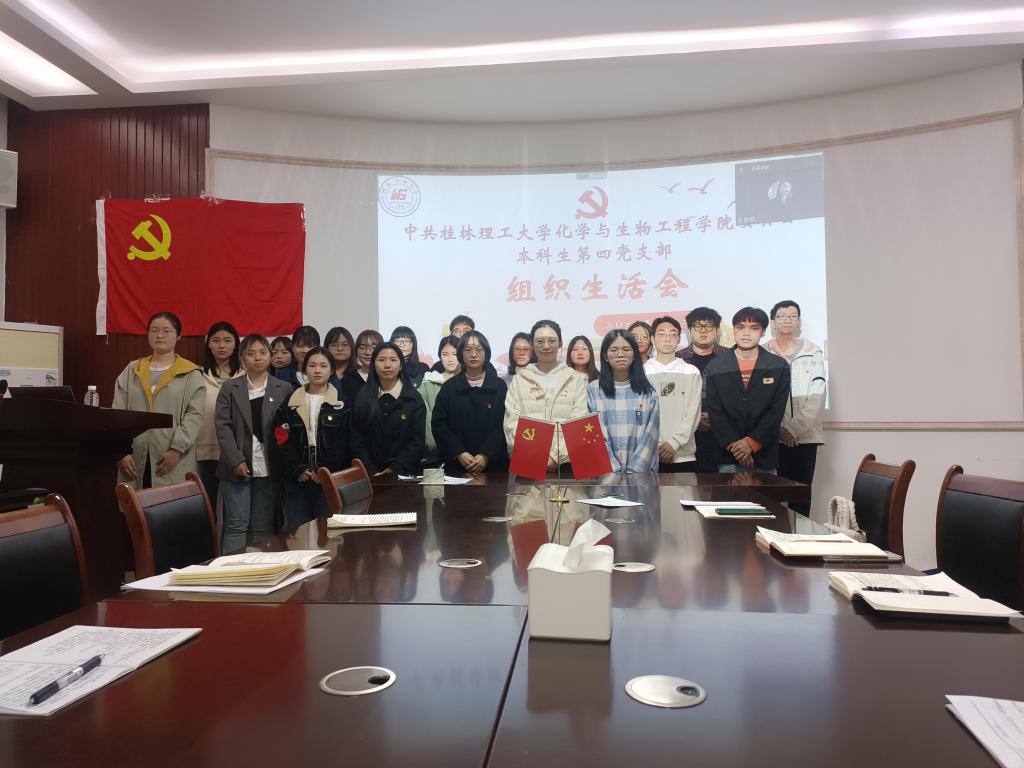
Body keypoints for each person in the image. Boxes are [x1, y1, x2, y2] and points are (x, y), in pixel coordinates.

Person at [215, 333, 292, 552]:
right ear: (242, 358)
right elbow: (222, 427)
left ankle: (262, 568)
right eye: (251, 353)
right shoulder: (230, 387)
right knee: (236, 525)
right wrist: (235, 460)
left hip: (269, 467)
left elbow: (286, 429)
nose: (257, 358)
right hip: (236, 467)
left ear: (270, 356)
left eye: (263, 352)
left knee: (263, 526)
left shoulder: (284, 388)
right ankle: (231, 570)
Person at [112, 311, 206, 489]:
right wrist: (121, 452)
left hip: (173, 458)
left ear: (178, 336)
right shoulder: (132, 370)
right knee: (135, 504)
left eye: (166, 331)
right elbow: (117, 413)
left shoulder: (191, 374)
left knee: (170, 503)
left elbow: (194, 416)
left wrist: (177, 449)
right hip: (134, 455)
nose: (159, 335)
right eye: (154, 330)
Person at [271, 346, 350, 529]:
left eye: (323, 366)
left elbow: (343, 442)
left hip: (328, 480)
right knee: (297, 532)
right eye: (312, 365)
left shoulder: (342, 403)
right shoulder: (289, 402)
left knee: (328, 532)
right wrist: (297, 469)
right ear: (304, 369)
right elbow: (281, 438)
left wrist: (324, 470)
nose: (317, 370)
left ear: (331, 370)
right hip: (297, 480)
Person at [705, 308, 791, 473]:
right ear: (733, 330)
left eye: (754, 328)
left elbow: (776, 412)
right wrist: (737, 448)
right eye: (740, 327)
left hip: (765, 455)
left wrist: (751, 444)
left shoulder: (779, 366)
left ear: (763, 331)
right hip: (728, 456)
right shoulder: (715, 367)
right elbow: (716, 413)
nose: (746, 333)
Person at [764, 300, 826, 513]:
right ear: (773, 322)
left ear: (799, 321)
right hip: (772, 439)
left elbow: (817, 394)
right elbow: (762, 399)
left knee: (800, 498)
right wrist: (778, 430)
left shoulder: (813, 351)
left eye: (793, 316)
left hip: (805, 438)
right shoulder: (763, 352)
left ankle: (800, 535)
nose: (787, 320)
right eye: (781, 316)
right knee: (771, 500)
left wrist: (793, 429)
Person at [503, 320, 588, 471]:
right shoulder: (519, 380)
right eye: (540, 341)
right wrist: (538, 455)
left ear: (560, 344)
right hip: (529, 461)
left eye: (552, 341)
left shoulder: (576, 379)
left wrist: (556, 457)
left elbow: (579, 422)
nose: (546, 346)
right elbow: (512, 423)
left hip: (566, 465)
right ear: (532, 345)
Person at [433, 331, 509, 473]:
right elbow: (439, 424)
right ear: (461, 354)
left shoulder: (499, 386)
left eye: (479, 349)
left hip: (493, 466)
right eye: (468, 350)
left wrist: (486, 454)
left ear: (486, 353)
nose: (473, 354)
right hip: (457, 466)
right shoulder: (449, 388)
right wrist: (459, 452)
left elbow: (503, 424)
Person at [586, 330, 660, 473]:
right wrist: (612, 468)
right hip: (606, 473)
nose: (620, 354)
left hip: (641, 474)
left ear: (634, 355)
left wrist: (635, 470)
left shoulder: (647, 390)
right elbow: (595, 434)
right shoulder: (593, 390)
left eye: (626, 349)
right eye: (614, 350)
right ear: (605, 357)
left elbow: (651, 434)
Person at [350, 342, 426, 476]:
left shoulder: (413, 398)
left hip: (403, 475)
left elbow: (417, 441)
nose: (387, 365)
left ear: (401, 365)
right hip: (368, 475)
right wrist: (369, 469)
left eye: (393, 360)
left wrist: (395, 469)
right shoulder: (362, 397)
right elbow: (356, 439)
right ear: (373, 364)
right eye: (381, 360)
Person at [644, 316, 702, 472]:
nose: (667, 338)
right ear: (653, 339)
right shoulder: (642, 372)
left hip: (684, 456)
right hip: (649, 455)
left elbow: (694, 413)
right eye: (662, 334)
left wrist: (674, 443)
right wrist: (657, 445)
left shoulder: (691, 371)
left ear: (678, 339)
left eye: (672, 334)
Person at [677, 307, 729, 472]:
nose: (703, 330)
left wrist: (714, 416)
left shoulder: (730, 357)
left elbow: (736, 394)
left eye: (709, 326)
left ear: (717, 330)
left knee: (720, 482)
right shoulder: (677, 359)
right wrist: (696, 418)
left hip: (724, 431)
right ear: (689, 330)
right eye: (698, 326)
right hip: (686, 432)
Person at [195, 321, 241, 507]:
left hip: (237, 453)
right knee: (208, 505)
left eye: (227, 341)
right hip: (204, 450)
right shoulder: (196, 375)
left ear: (236, 344)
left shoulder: (245, 376)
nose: (222, 345)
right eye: (216, 340)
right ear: (209, 344)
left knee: (234, 507)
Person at [419, 335, 461, 467]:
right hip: (433, 455)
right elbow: (426, 418)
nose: (450, 359)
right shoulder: (428, 382)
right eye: (445, 354)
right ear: (440, 356)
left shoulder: (467, 383)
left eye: (455, 354)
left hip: (464, 454)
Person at [342, 329, 383, 404]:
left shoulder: (388, 377)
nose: (367, 352)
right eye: (362, 347)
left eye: (373, 347)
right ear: (356, 351)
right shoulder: (347, 380)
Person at [324, 326, 356, 394]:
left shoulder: (359, 373)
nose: (340, 348)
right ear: (327, 348)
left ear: (352, 347)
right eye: (335, 345)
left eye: (345, 344)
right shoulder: (320, 373)